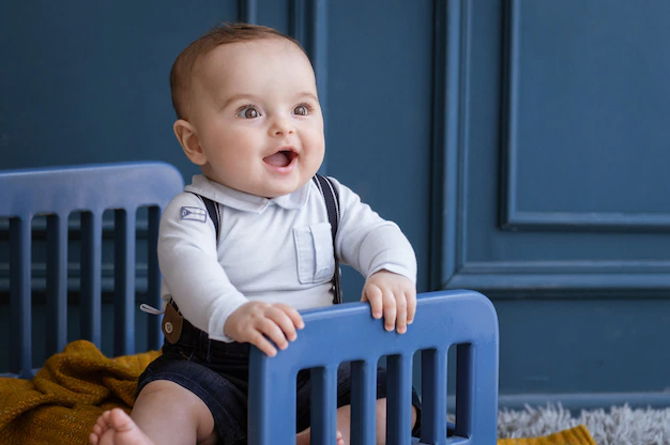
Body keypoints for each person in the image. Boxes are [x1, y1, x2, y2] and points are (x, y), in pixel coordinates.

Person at [90, 23, 418, 445]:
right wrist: (233, 313)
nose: (283, 127)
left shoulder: (329, 198)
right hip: (215, 371)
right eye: (250, 112)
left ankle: (319, 436)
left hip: (318, 370)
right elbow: (192, 275)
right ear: (195, 142)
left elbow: (378, 234)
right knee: (166, 398)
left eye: (301, 109)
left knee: (394, 400)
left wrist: (389, 270)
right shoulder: (193, 213)